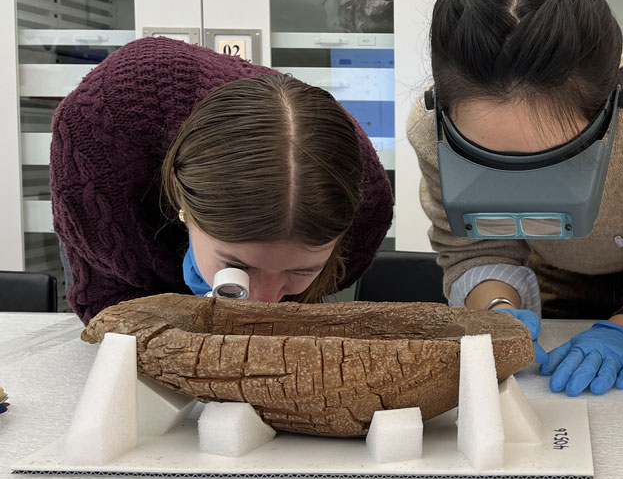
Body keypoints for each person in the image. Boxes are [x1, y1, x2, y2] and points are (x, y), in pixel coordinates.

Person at [407, 0, 623, 396]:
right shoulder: (429, 128)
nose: (523, 184)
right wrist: (495, 308)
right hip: (557, 266)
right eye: (488, 160)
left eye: (554, 159)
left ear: (609, 112)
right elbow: (475, 246)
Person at [51, 37, 394, 325]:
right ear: (180, 197)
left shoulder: (367, 206)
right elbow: (107, 308)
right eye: (238, 264)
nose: (263, 302)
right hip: (122, 194)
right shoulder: (97, 136)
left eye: (301, 271)